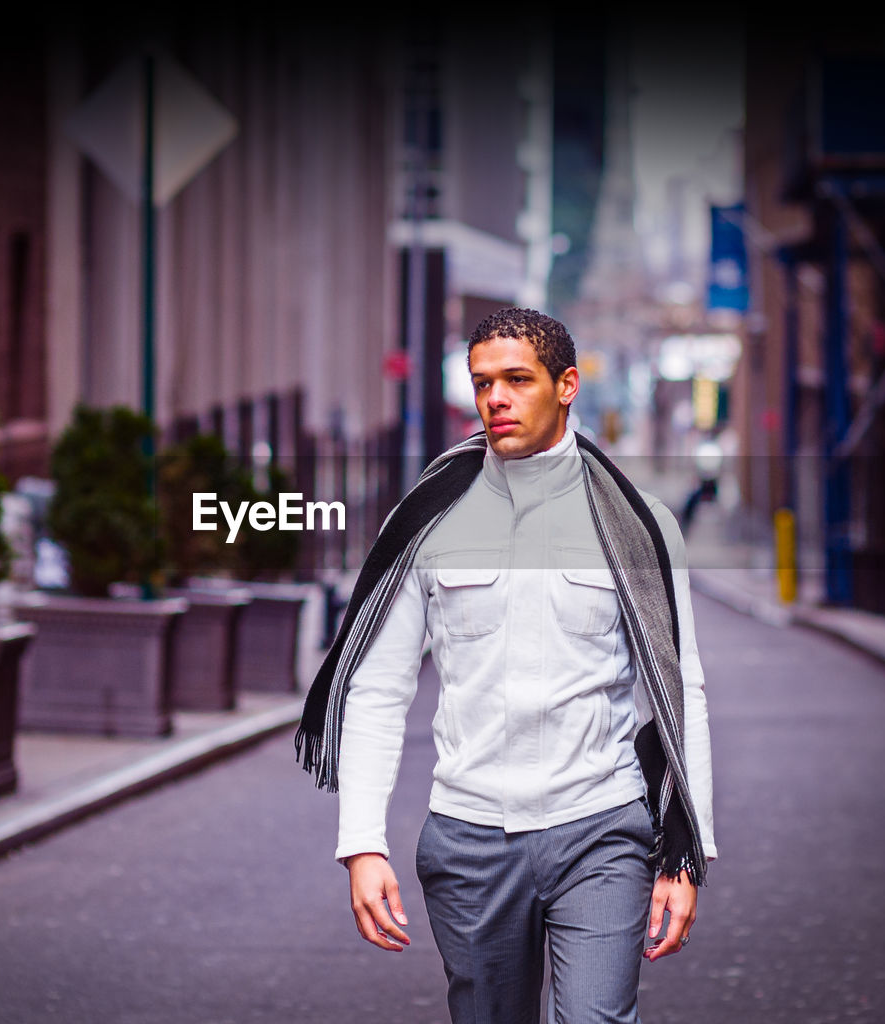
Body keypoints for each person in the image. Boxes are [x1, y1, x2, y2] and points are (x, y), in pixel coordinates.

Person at [296, 307, 717, 1024]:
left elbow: (681, 692)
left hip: (602, 826)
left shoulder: (641, 523)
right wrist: (361, 843)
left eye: (518, 380)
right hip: (468, 839)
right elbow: (377, 685)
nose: (496, 398)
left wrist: (687, 853)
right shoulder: (432, 520)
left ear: (568, 385)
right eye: (483, 381)